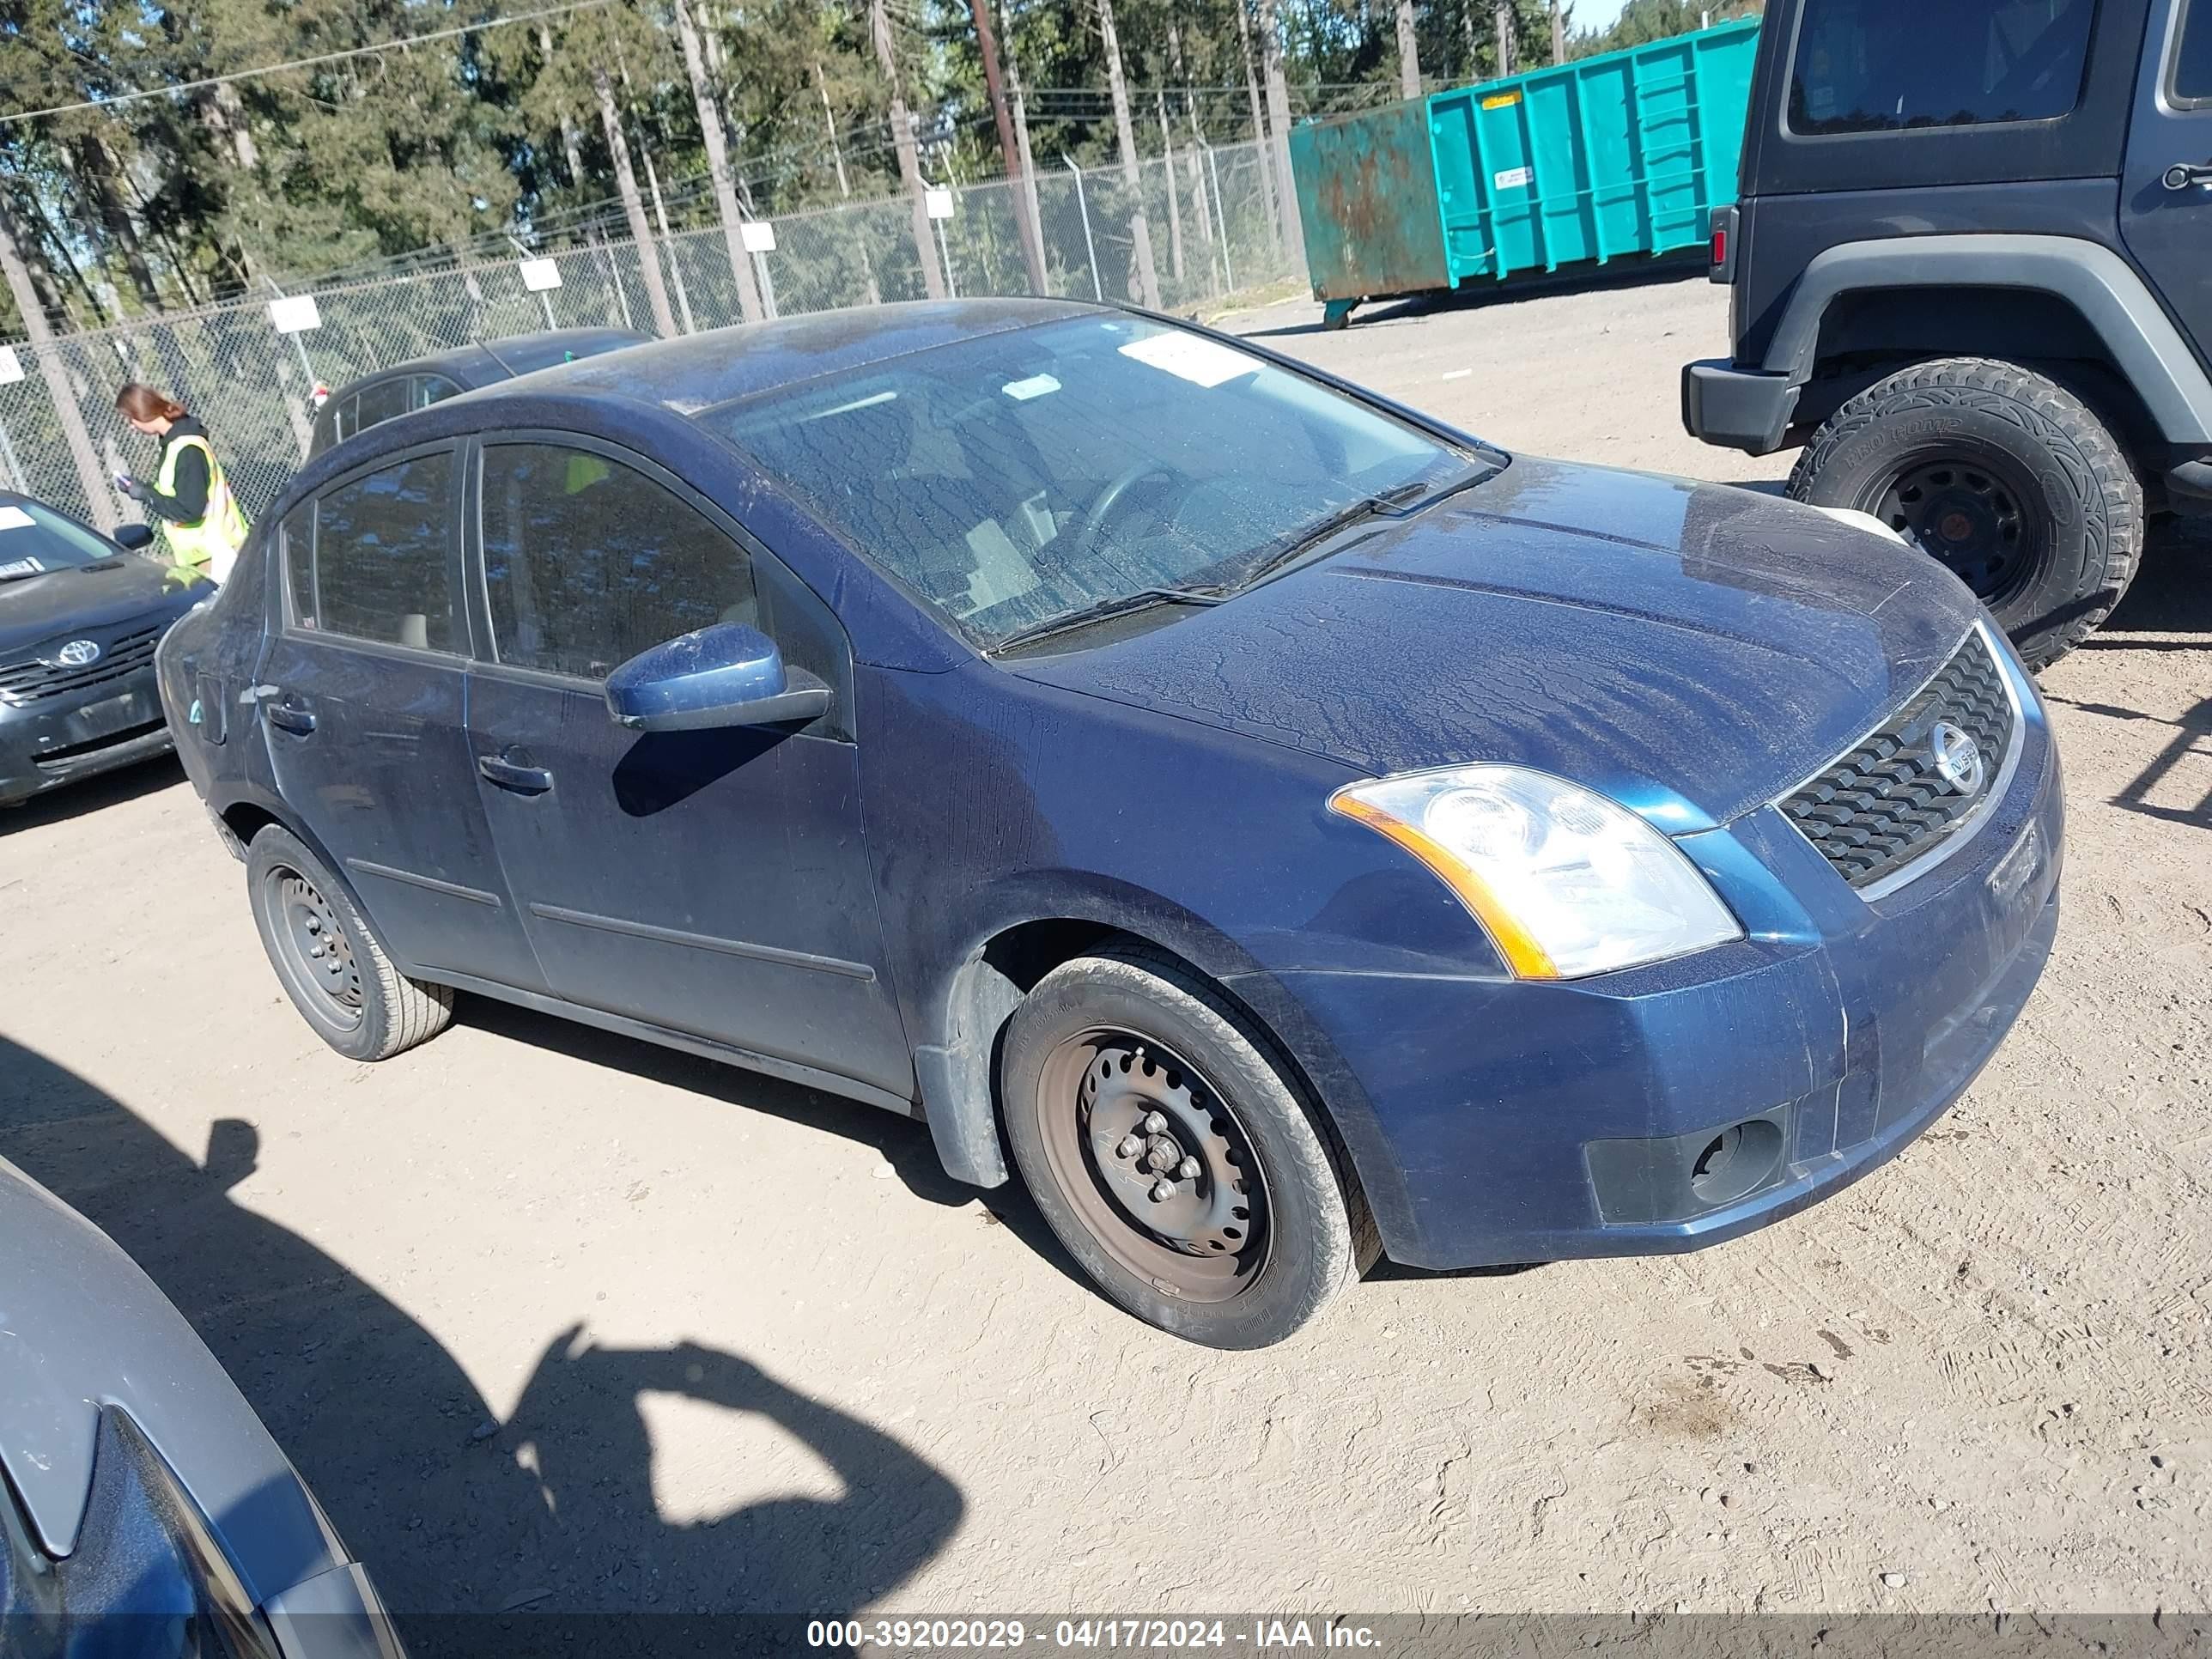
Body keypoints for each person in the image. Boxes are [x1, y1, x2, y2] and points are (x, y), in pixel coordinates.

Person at [112, 383, 249, 586]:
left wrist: (145, 495)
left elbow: (189, 509)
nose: (131, 426)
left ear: (142, 412)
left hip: (219, 552)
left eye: (131, 419)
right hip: (205, 554)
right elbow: (175, 493)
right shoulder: (174, 445)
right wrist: (144, 489)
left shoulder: (187, 449)